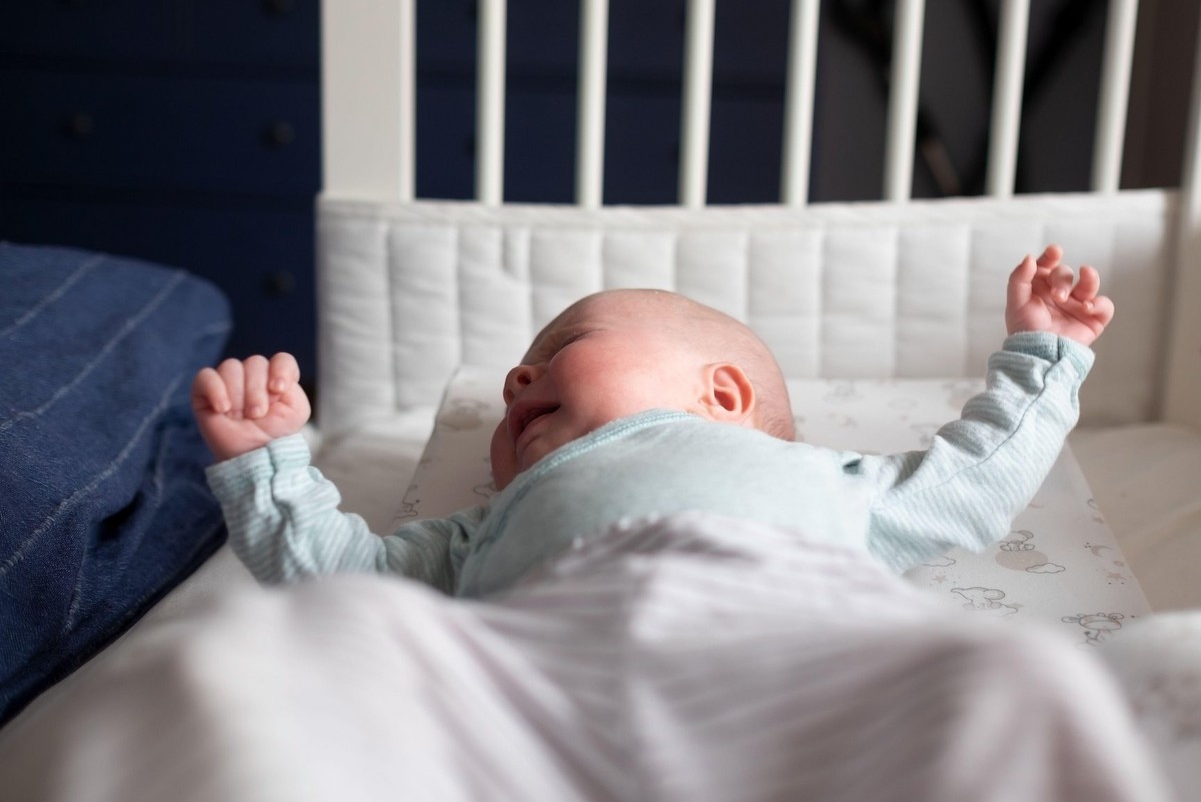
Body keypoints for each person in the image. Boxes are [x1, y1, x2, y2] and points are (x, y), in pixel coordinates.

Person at [193, 244, 1113, 599]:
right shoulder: (476, 533)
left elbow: (977, 476)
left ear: (721, 397)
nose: (518, 378)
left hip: (801, 682)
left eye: (566, 344)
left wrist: (1046, 354)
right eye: (522, 374)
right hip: (539, 704)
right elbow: (339, 576)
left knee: (1019, 698)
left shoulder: (837, 485)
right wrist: (271, 463)